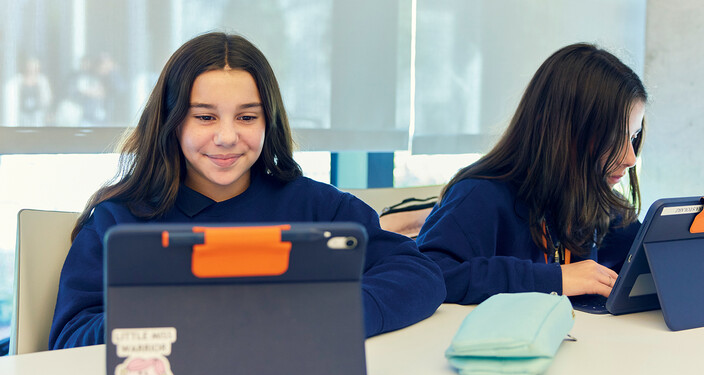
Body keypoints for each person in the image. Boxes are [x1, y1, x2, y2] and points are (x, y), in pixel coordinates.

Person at [49, 32, 445, 349]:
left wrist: (334, 313)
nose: (226, 137)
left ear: (268, 122)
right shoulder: (118, 220)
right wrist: (168, 315)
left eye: (246, 117)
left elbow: (419, 273)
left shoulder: (318, 207)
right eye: (205, 117)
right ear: (172, 122)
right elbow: (71, 336)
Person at [416, 43, 646, 304]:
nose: (630, 158)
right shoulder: (479, 195)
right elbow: (428, 275)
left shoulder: (600, 204)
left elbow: (647, 265)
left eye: (633, 137)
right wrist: (554, 279)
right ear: (564, 131)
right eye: (615, 137)